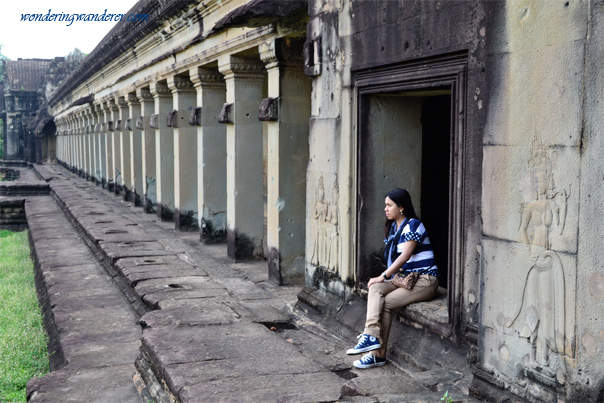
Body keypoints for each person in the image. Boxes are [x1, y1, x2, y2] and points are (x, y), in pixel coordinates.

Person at [347, 188, 439, 369]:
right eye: (385, 205)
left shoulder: (413, 225)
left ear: (401, 207)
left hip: (425, 280)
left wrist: (383, 276)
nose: (385, 209)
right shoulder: (394, 229)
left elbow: (404, 257)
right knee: (375, 289)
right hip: (405, 278)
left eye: (389, 205)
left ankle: (377, 355)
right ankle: (370, 336)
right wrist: (382, 280)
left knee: (386, 302)